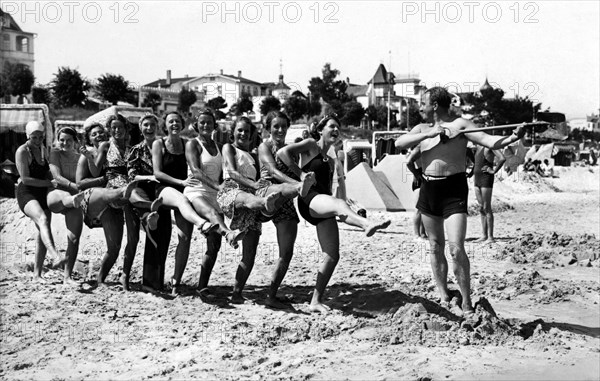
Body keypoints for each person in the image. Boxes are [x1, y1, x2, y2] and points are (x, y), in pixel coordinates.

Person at [395, 86, 526, 315]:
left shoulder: (461, 125)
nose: (421, 107)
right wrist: (429, 134)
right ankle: (443, 294)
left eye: (423, 103)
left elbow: (489, 140)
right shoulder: (422, 129)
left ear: (434, 105)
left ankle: (466, 300)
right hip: (429, 189)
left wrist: (513, 137)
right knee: (435, 247)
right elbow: (399, 143)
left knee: (456, 248)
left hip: (453, 190)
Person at [278, 113, 391, 313]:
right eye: (331, 126)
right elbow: (283, 154)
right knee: (338, 204)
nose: (336, 130)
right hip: (309, 200)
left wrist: (341, 203)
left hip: (324, 202)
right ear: (320, 129)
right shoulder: (311, 144)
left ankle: (315, 301)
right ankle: (366, 224)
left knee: (332, 255)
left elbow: (331, 189)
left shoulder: (332, 157)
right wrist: (300, 174)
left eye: (338, 127)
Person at [217, 117, 293, 304]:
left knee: (250, 253)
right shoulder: (229, 148)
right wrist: (254, 185)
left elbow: (264, 174)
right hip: (232, 191)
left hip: (253, 198)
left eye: (247, 132)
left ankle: (236, 293)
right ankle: (264, 208)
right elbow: (233, 173)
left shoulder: (253, 154)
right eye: (240, 130)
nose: (243, 134)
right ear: (233, 132)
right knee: (253, 200)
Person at [152, 111, 222, 294]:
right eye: (170, 121)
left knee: (184, 238)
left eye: (177, 121)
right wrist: (180, 182)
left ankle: (178, 283)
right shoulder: (158, 143)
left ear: (182, 124)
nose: (174, 124)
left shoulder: (186, 143)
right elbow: (158, 173)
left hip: (187, 192)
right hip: (165, 190)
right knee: (178, 234)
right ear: (164, 125)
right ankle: (172, 282)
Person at [257, 111, 316, 309]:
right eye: (276, 126)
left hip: (288, 199)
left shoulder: (290, 149)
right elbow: (273, 171)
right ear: (268, 128)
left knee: (286, 252)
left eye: (283, 126)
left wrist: (309, 142)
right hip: (269, 191)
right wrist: (298, 184)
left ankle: (271, 295)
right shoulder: (264, 146)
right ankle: (268, 208)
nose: (280, 130)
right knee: (274, 197)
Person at [184, 110, 245, 296]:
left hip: (213, 192)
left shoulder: (219, 146)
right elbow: (195, 170)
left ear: (214, 125)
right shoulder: (192, 144)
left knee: (213, 246)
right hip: (196, 191)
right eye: (202, 122)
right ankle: (228, 233)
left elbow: (225, 172)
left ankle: (202, 286)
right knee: (213, 214)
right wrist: (218, 187)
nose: (205, 126)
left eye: (209, 123)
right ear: (197, 124)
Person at [15, 121, 64, 281]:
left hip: (43, 192)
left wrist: (57, 182)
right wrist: (49, 183)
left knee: (43, 232)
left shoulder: (45, 150)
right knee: (42, 219)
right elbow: (26, 179)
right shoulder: (22, 151)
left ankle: (37, 274)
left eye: (40, 137)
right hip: (27, 192)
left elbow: (49, 172)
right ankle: (55, 255)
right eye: (34, 137)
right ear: (27, 136)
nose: (37, 140)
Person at [47, 126, 87, 285]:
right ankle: (74, 200)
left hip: (74, 198)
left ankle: (67, 277)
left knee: (74, 238)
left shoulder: (80, 158)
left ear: (75, 141)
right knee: (65, 196)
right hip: (56, 196)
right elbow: (56, 177)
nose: (64, 143)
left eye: (69, 140)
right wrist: (74, 187)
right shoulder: (54, 154)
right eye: (61, 140)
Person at [473, 145, 505, 243]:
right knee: (481, 207)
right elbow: (476, 161)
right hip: (477, 178)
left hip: (486, 178)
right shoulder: (476, 147)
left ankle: (490, 237)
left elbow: (502, 158)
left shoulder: (490, 145)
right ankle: (484, 235)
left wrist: (493, 171)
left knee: (487, 207)